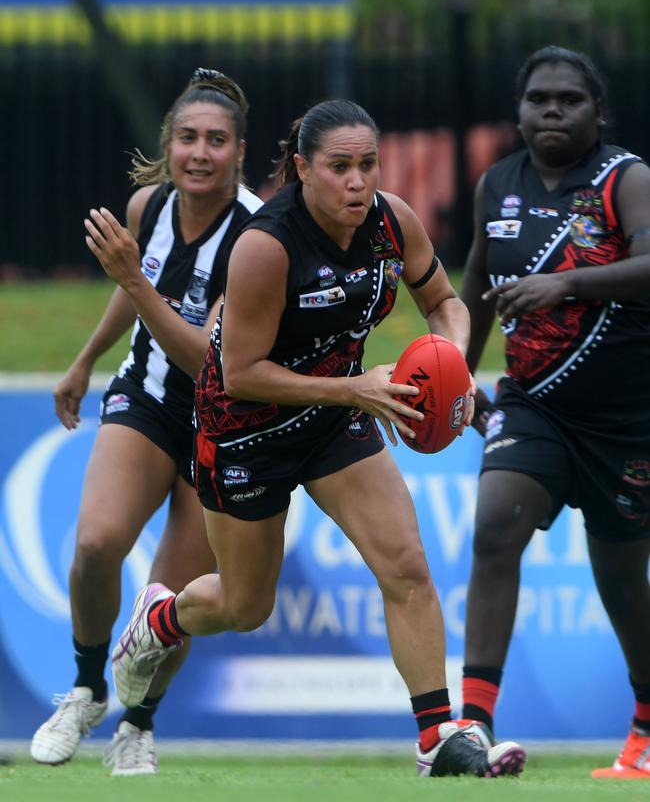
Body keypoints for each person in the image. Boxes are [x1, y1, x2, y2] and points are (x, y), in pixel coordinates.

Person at [110, 98, 526, 778]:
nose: (358, 182)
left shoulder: (392, 220)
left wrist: (449, 360)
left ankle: (437, 739)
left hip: (336, 420)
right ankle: (162, 619)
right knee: (246, 607)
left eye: (368, 165)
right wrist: (353, 388)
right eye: (340, 167)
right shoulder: (265, 247)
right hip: (244, 432)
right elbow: (239, 373)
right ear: (302, 168)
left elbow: (446, 304)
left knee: (407, 567)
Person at [30, 68, 263, 775]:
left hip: (221, 419)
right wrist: (83, 360)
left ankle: (140, 722)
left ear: (239, 151)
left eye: (216, 141)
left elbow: (209, 363)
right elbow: (137, 298)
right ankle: (86, 688)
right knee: (97, 543)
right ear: (167, 144)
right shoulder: (148, 207)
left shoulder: (259, 237)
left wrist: (134, 279)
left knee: (168, 601)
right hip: (148, 398)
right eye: (187, 137)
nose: (199, 153)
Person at [459, 46, 650, 779]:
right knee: (493, 525)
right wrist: (458, 374)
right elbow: (476, 282)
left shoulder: (624, 179)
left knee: (623, 581)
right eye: (538, 99)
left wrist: (568, 285)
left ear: (598, 112)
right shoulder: (496, 183)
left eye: (570, 100)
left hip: (626, 418)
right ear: (519, 110)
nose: (552, 111)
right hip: (532, 404)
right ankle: (472, 724)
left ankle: (646, 719)